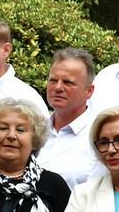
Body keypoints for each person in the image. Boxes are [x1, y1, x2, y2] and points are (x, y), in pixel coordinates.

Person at [36, 47, 103, 190]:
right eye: (53, 80)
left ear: (89, 91)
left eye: (68, 82)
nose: (58, 87)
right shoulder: (33, 130)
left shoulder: (101, 137)